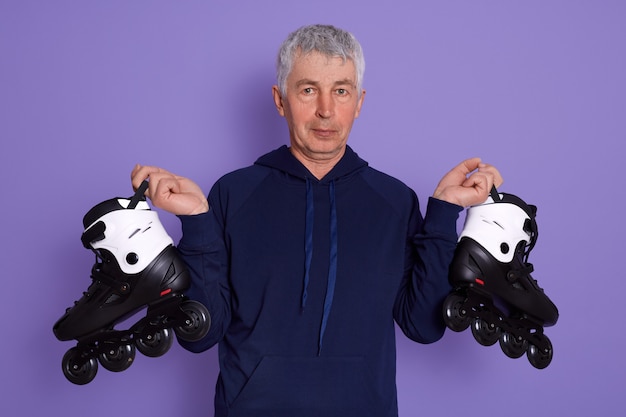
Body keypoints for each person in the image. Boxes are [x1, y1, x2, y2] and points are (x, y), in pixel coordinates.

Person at [131, 24, 502, 417]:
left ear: (358, 102)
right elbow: (200, 336)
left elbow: (424, 326)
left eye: (341, 91)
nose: (326, 109)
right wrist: (196, 223)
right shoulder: (232, 195)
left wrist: (443, 213)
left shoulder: (394, 201)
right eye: (308, 90)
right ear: (280, 99)